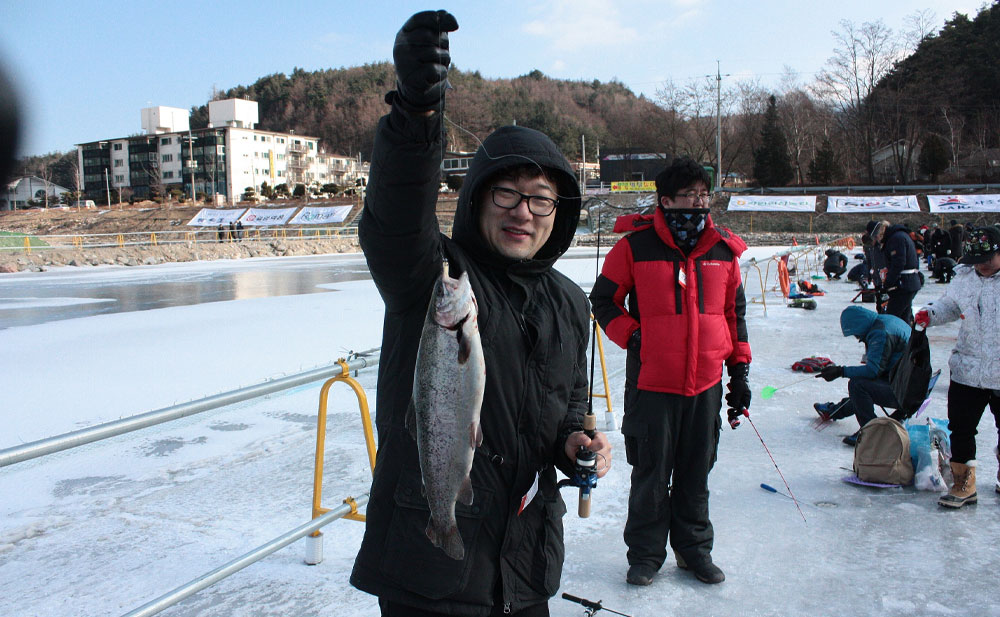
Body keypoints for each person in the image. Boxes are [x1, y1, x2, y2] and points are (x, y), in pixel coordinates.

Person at [349, 11, 611, 616]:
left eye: (541, 199)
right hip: (430, 574)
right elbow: (395, 218)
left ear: (558, 214)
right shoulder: (436, 277)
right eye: (506, 193)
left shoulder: (569, 301)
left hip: (527, 568)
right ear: (477, 197)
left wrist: (576, 443)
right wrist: (416, 112)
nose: (523, 212)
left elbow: (570, 404)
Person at [589, 157, 751, 587]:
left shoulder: (723, 251)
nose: (699, 202)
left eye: (704, 195)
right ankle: (645, 556)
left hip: (706, 385)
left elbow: (734, 316)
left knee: (696, 474)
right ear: (666, 200)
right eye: (690, 195)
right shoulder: (634, 247)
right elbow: (603, 301)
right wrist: (635, 336)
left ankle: (694, 551)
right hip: (651, 386)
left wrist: (739, 373)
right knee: (651, 475)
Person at [915, 226, 1000, 508]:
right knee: (961, 429)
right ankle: (964, 484)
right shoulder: (964, 278)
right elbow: (950, 306)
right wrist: (930, 314)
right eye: (977, 260)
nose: (982, 266)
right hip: (968, 367)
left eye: (987, 259)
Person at [813, 305, 911, 446]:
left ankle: (872, 432)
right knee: (862, 382)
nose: (857, 337)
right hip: (910, 382)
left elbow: (873, 371)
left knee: (858, 385)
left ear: (860, 325)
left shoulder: (880, 333)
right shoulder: (885, 321)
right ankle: (836, 411)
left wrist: (840, 371)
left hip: (906, 392)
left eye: (856, 333)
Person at [867, 219, 921, 323]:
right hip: (909, 282)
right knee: (904, 317)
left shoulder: (896, 239)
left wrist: (887, 283)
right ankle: (908, 332)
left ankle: (899, 333)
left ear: (879, 233)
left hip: (904, 284)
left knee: (892, 318)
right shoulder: (898, 236)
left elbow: (898, 263)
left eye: (876, 237)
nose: (877, 240)